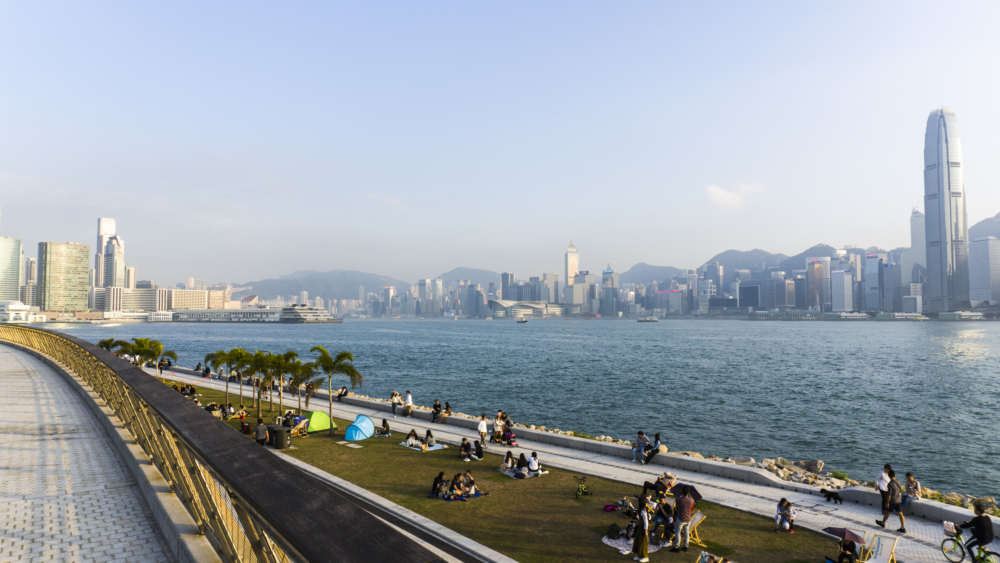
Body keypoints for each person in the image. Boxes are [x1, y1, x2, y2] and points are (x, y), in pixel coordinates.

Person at [670, 486, 695, 552]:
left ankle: (676, 547)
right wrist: (689, 495)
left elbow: (677, 500)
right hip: (688, 519)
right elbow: (693, 500)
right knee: (686, 532)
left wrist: (682, 494)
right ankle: (685, 546)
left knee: (677, 532)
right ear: (689, 492)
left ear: (682, 491)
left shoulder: (679, 499)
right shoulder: (691, 500)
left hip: (680, 519)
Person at [631, 494, 650, 562]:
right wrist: (639, 522)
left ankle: (645, 556)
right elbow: (642, 520)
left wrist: (645, 530)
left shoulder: (643, 511)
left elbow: (646, 521)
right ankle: (639, 555)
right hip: (641, 526)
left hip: (644, 527)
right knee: (638, 540)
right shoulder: (641, 509)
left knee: (643, 542)